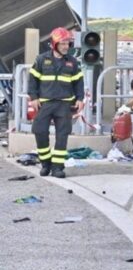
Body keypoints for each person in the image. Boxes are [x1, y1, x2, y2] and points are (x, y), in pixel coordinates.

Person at [28, 27, 85, 178]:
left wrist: (80, 99)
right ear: (54, 44)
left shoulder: (72, 62)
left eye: (68, 43)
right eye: (63, 44)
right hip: (45, 103)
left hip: (64, 105)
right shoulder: (41, 59)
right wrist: (33, 97)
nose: (66, 47)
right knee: (39, 131)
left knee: (62, 136)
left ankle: (57, 168)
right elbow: (32, 80)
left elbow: (79, 82)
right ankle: (45, 163)